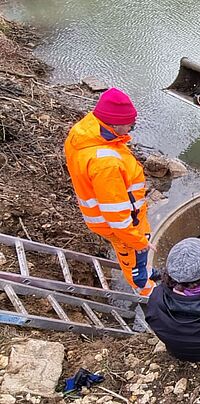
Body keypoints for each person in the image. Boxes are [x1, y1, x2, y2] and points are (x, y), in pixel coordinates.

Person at [64, 87, 155, 296]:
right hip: (121, 224)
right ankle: (145, 290)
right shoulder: (106, 164)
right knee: (133, 257)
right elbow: (118, 218)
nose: (132, 127)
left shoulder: (87, 132)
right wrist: (139, 241)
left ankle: (146, 272)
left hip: (116, 215)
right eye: (129, 124)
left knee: (137, 254)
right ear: (115, 124)